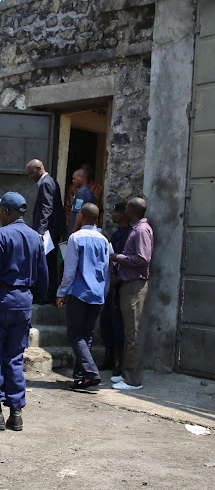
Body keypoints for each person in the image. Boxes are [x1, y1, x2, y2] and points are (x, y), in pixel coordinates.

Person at [0, 192, 48, 431]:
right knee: (14, 357)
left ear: (7, 212)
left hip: (2, 299)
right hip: (23, 302)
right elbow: (42, 274)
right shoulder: (35, 238)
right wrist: (34, 297)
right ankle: (16, 413)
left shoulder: (2, 235)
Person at [56, 203, 110, 390]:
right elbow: (105, 270)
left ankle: (91, 372)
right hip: (97, 293)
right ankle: (81, 378)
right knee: (86, 335)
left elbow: (70, 270)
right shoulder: (104, 240)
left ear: (80, 216)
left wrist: (61, 292)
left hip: (79, 292)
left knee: (75, 334)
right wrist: (104, 294)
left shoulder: (75, 237)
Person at [110, 198, 153, 390]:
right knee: (129, 333)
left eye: (127, 208)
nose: (124, 210)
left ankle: (133, 380)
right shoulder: (136, 229)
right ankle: (126, 374)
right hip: (129, 285)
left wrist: (118, 257)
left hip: (135, 286)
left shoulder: (142, 230)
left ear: (133, 211)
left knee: (134, 334)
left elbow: (143, 259)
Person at [97, 202, 132, 375]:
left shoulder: (130, 234)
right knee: (107, 321)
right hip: (111, 283)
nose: (113, 215)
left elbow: (129, 259)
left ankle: (120, 361)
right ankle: (108, 357)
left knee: (119, 324)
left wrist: (117, 279)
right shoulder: (117, 234)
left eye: (117, 212)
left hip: (121, 283)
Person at [25, 159, 65, 304]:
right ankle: (48, 293)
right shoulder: (49, 181)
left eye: (31, 173)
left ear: (39, 169)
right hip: (51, 230)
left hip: (48, 232)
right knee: (49, 262)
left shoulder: (47, 183)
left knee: (46, 263)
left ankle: (47, 294)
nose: (30, 177)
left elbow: (46, 208)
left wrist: (41, 231)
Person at [64, 163, 104, 228]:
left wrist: (73, 230)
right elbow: (68, 206)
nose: (73, 181)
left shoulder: (97, 188)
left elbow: (78, 213)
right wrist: (68, 222)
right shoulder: (74, 188)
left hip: (84, 225)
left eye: (88, 170)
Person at [67, 168, 97, 237]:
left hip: (79, 231)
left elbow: (79, 212)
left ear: (82, 178)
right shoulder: (89, 192)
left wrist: (73, 231)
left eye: (74, 179)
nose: (73, 181)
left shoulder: (81, 193)